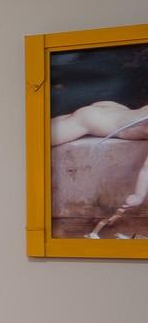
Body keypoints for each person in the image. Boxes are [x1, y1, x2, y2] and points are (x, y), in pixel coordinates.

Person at [52, 98, 148, 235]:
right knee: (37, 138)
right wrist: (139, 196)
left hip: (112, 109)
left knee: (69, 118)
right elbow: (146, 168)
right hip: (90, 120)